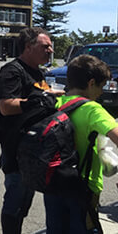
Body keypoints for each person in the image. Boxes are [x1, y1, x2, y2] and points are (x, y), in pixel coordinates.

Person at [43, 54, 117, 233]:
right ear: (91, 83)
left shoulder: (54, 104)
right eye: (101, 86)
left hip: (52, 182)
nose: (101, 92)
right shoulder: (92, 109)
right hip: (83, 186)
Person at [0, 27, 58, 234]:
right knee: (15, 200)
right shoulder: (12, 71)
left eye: (50, 46)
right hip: (17, 149)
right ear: (28, 47)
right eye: (45, 46)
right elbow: (5, 106)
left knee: (24, 202)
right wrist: (38, 100)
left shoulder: (37, 71)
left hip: (35, 149)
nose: (50, 50)